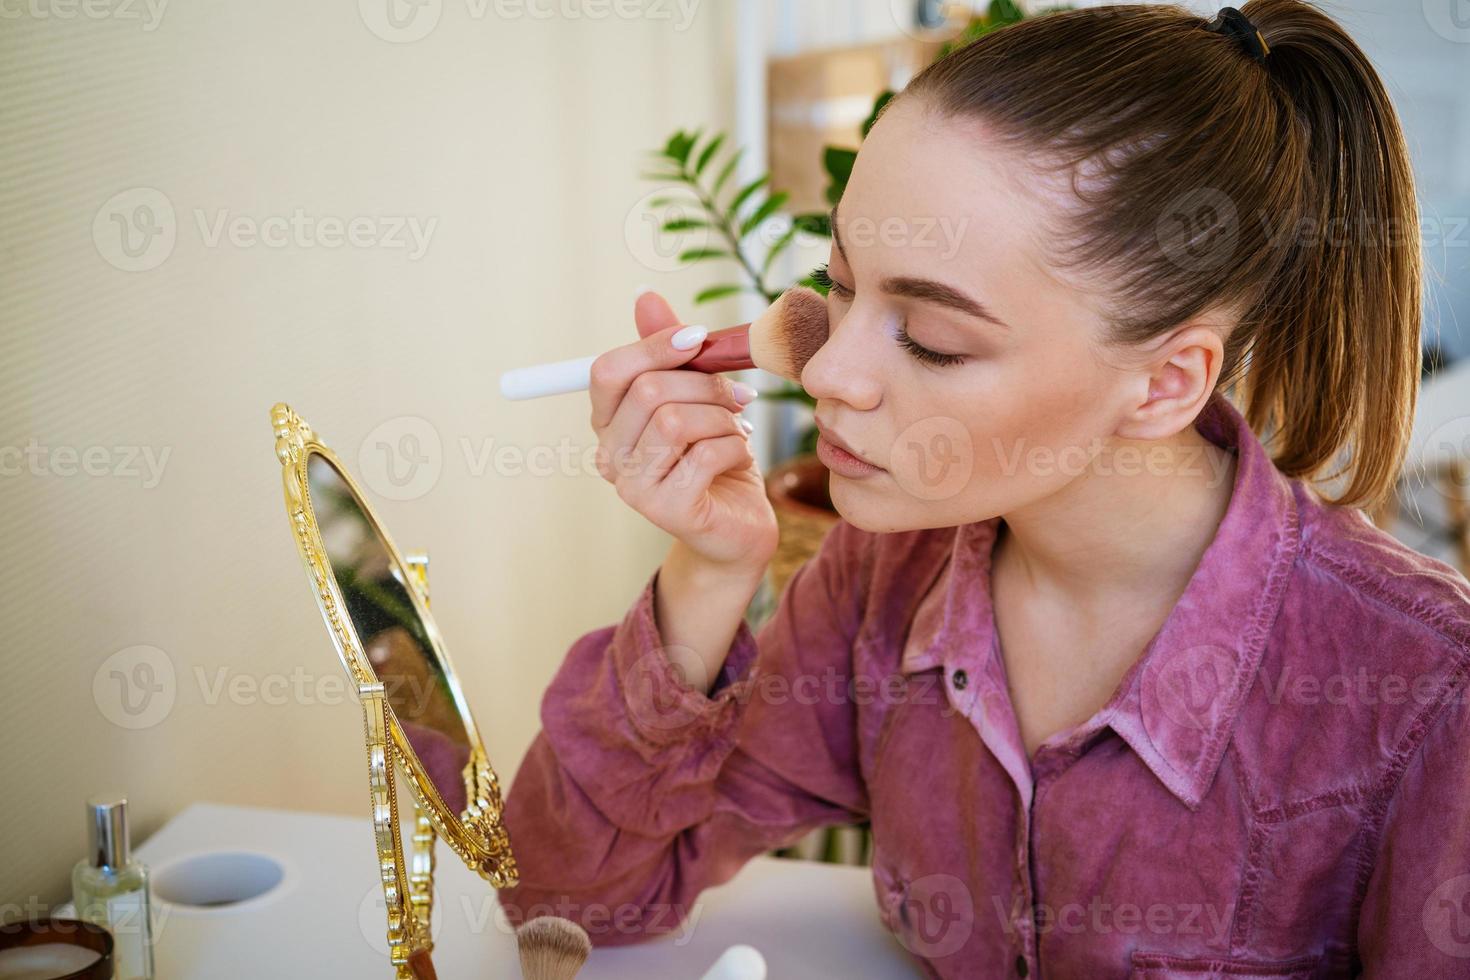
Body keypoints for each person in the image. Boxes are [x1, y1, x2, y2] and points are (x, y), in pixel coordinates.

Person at [497, 2, 1470, 975]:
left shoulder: (1424, 693)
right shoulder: (880, 578)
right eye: (840, 285)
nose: (829, 370)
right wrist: (709, 569)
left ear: (1167, 382)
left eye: (935, 339)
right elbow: (563, 899)